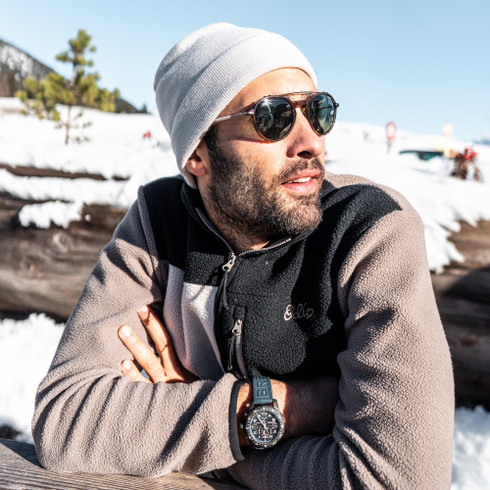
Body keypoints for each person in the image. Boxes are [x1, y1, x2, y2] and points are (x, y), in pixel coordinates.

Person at [32, 23, 454, 489]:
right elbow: (64, 419)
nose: (311, 142)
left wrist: (209, 435)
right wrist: (295, 406)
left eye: (318, 112)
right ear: (197, 153)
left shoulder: (369, 230)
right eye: (272, 117)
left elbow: (396, 480)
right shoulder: (157, 226)